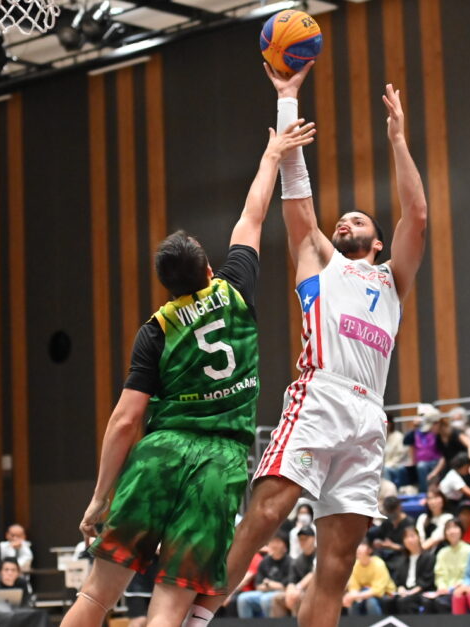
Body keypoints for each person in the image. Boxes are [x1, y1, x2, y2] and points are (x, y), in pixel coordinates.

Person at [187, 64, 428, 627]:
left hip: (369, 416)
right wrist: (287, 99)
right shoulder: (318, 258)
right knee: (267, 512)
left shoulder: (392, 279)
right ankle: (196, 618)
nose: (345, 221)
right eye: (341, 219)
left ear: (377, 241)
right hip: (320, 395)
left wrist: (398, 140)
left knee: (337, 564)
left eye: (358, 220)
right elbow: (297, 198)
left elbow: (417, 215)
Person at [67, 121, 313, 627]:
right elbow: (252, 215)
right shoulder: (235, 289)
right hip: (219, 465)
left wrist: (99, 497)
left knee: (96, 596)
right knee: (170, 606)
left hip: (159, 456)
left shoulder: (155, 330)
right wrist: (272, 155)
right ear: (208, 270)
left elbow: (125, 421)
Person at [423, 519, 470, 614]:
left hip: (461, 590)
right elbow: (439, 574)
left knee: (441, 602)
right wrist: (442, 587)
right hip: (444, 591)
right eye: (448, 529)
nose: (452, 531)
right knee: (426, 602)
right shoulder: (442, 552)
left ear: (461, 530)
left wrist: (457, 586)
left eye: (455, 527)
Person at [236, 535, 290, 618]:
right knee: (243, 598)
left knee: (265, 599)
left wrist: (268, 584)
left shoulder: (290, 561)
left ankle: (270, 624)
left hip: (280, 593)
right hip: (264, 592)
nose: (274, 545)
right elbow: (258, 585)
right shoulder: (265, 561)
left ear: (285, 545)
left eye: (277, 542)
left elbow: (285, 586)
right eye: (272, 542)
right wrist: (271, 585)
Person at [384, 527, 435, 615]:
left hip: (421, 592)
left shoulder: (428, 557)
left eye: (412, 536)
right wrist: (400, 588)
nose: (409, 540)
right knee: (387, 601)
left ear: (418, 538)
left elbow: (426, 580)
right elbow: (398, 580)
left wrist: (410, 592)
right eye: (406, 537)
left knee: (404, 601)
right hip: (405, 591)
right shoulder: (402, 560)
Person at [270, 528, 315, 618]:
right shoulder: (297, 561)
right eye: (300, 539)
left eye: (305, 539)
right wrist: (290, 592)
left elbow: (314, 574)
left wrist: (298, 588)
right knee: (278, 599)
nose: (303, 542)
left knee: (298, 598)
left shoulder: (320, 555)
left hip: (318, 591)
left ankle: (299, 624)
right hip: (300, 591)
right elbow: (291, 580)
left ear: (313, 539)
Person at [342, 542, 395, 616]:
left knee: (370, 602)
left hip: (386, 594)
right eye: (357, 546)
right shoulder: (355, 565)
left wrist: (355, 596)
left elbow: (378, 590)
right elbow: (354, 587)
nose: (358, 549)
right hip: (364, 593)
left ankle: (375, 621)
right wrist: (350, 597)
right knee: (353, 602)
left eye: (362, 546)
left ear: (369, 550)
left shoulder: (378, 564)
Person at [402, 406, 441, 490]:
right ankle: (424, 492)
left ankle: (429, 491)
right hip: (421, 462)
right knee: (417, 466)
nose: (422, 418)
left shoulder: (435, 430)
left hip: (435, 460)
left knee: (423, 466)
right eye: (420, 416)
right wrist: (414, 426)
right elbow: (406, 440)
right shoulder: (416, 432)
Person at [430, 417, 470, 485]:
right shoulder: (438, 438)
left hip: (463, 466)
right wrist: (435, 472)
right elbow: (445, 457)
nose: (429, 430)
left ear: (438, 424)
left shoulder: (455, 433)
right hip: (451, 467)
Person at [369, 496, 411, 564]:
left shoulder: (409, 523)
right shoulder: (387, 522)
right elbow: (380, 537)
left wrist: (392, 546)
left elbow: (409, 547)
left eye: (392, 512)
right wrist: (379, 543)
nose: (391, 514)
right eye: (388, 512)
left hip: (401, 555)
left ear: (399, 508)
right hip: (386, 553)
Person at [383, 414, 411, 488]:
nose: (385, 424)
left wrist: (389, 464)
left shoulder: (398, 436)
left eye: (386, 422)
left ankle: (389, 491)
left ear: (391, 423)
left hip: (397, 465)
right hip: (384, 465)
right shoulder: (381, 437)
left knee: (385, 469)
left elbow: (400, 455)